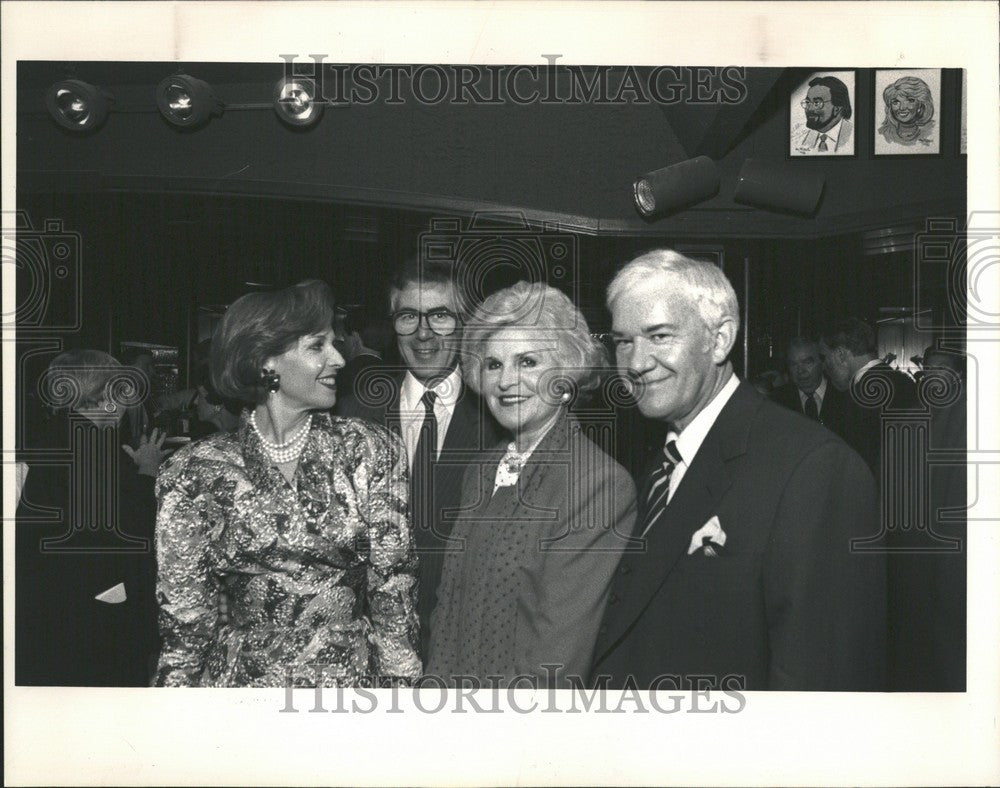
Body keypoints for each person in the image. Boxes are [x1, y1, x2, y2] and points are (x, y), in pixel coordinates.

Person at [591, 250, 885, 691]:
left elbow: (821, 689)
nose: (634, 362)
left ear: (720, 339)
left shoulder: (814, 467)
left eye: (659, 336)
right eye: (623, 341)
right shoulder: (658, 462)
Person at [153, 279, 420, 687]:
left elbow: (394, 592)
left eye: (335, 342)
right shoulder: (194, 471)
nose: (339, 359)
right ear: (265, 362)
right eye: (317, 346)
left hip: (348, 690)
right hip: (241, 693)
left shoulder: (370, 450)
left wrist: (402, 695)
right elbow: (185, 619)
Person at [426, 281, 637, 687]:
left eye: (527, 362)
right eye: (493, 364)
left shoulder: (598, 486)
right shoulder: (481, 471)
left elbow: (557, 660)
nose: (507, 381)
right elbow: (446, 612)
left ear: (565, 375)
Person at [336, 257, 502, 656]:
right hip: (368, 652)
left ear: (465, 323)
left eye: (440, 316)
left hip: (468, 650)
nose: (423, 333)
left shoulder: (501, 416)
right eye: (408, 316)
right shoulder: (353, 415)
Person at [16, 349, 167, 686]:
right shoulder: (92, 448)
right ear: (106, 395)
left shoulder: (58, 435)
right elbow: (131, 532)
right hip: (92, 617)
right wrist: (147, 473)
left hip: (49, 608)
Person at [819, 317, 917, 475]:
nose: (824, 366)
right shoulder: (902, 382)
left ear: (840, 355)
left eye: (824, 357)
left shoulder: (861, 397)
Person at [771, 336, 846, 437]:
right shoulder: (778, 402)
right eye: (793, 364)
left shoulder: (843, 395)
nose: (800, 371)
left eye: (807, 362)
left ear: (822, 363)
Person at [791, 75, 854, 155]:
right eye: (807, 102)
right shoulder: (797, 139)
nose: (809, 109)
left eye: (817, 103)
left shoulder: (854, 137)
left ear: (837, 108)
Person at [878, 75, 936, 147]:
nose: (902, 108)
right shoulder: (882, 134)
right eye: (896, 102)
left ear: (920, 104)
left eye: (910, 100)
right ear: (890, 106)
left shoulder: (933, 132)